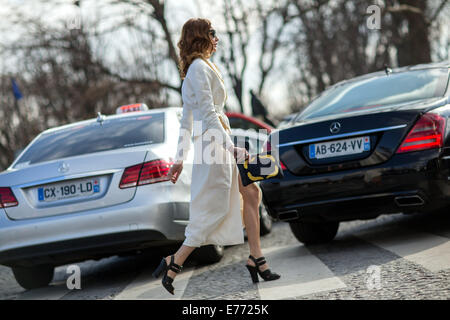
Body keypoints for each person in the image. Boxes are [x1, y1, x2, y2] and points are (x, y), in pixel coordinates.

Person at [152, 18, 280, 295]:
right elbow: (206, 116)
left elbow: (187, 120)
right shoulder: (198, 69)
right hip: (214, 145)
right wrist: (230, 148)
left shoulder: (198, 69)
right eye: (211, 33)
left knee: (252, 193)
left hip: (214, 141)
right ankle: (175, 260)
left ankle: (256, 257)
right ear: (200, 37)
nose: (216, 37)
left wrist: (179, 159)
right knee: (214, 208)